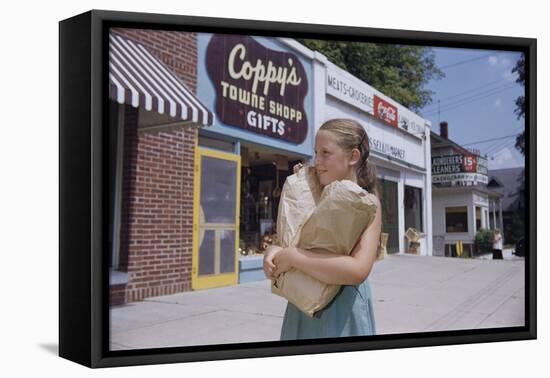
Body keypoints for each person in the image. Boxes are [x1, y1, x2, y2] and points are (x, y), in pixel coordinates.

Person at [263, 118, 382, 340]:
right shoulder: (309, 192)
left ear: (353, 157)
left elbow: (358, 270)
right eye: (316, 152)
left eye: (325, 153)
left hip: (343, 311)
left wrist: (295, 258)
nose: (317, 160)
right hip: (301, 303)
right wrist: (274, 252)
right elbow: (290, 240)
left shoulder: (367, 203)